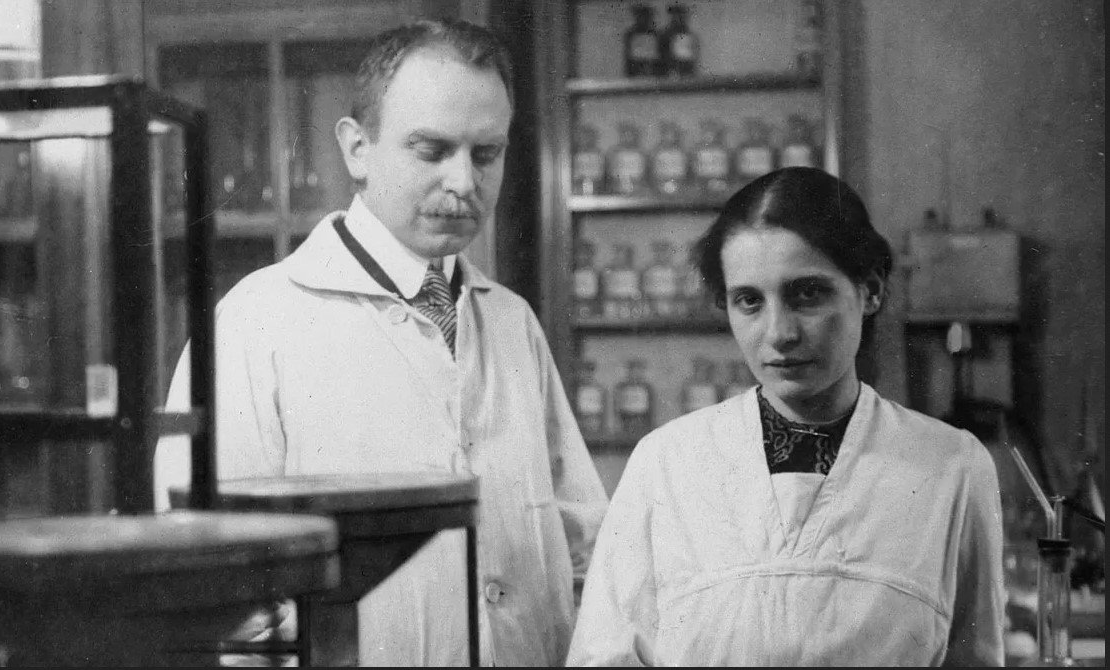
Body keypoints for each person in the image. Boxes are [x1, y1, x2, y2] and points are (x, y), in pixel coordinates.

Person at [157, 18, 608, 667]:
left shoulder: (511, 322)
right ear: (356, 148)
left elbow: (580, 545)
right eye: (431, 150)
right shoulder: (257, 321)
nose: (464, 182)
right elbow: (214, 587)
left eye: (486, 154)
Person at [566, 167, 1006, 666]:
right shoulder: (665, 462)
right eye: (749, 301)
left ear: (870, 290)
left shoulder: (953, 466)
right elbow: (603, 658)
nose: (779, 333)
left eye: (807, 294)